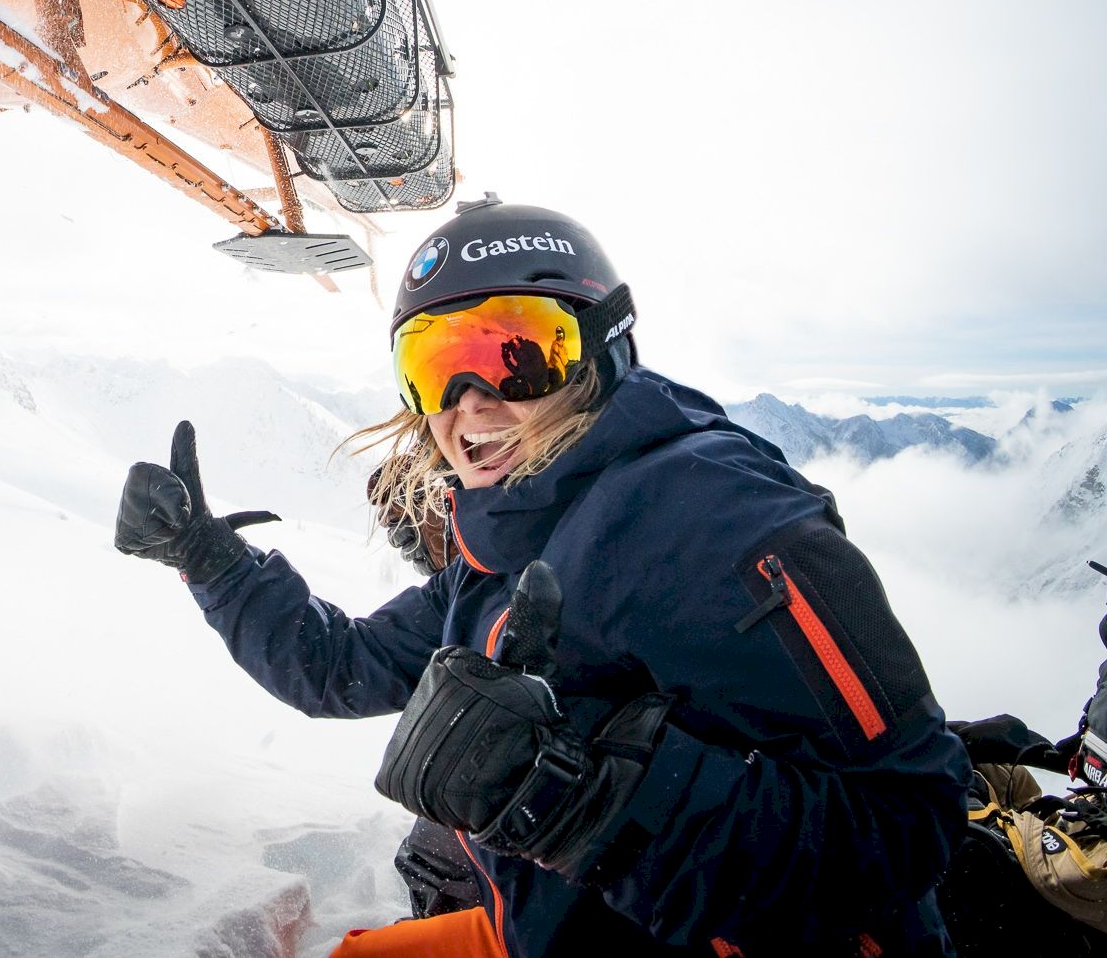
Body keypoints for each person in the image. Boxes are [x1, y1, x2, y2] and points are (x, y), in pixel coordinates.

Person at [115, 197, 970, 957]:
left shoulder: (718, 516)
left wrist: (590, 804)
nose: (470, 399)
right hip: (558, 919)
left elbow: (911, 819)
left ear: (601, 349)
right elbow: (341, 666)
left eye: (518, 353)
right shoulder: (505, 541)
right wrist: (209, 560)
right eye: (433, 364)